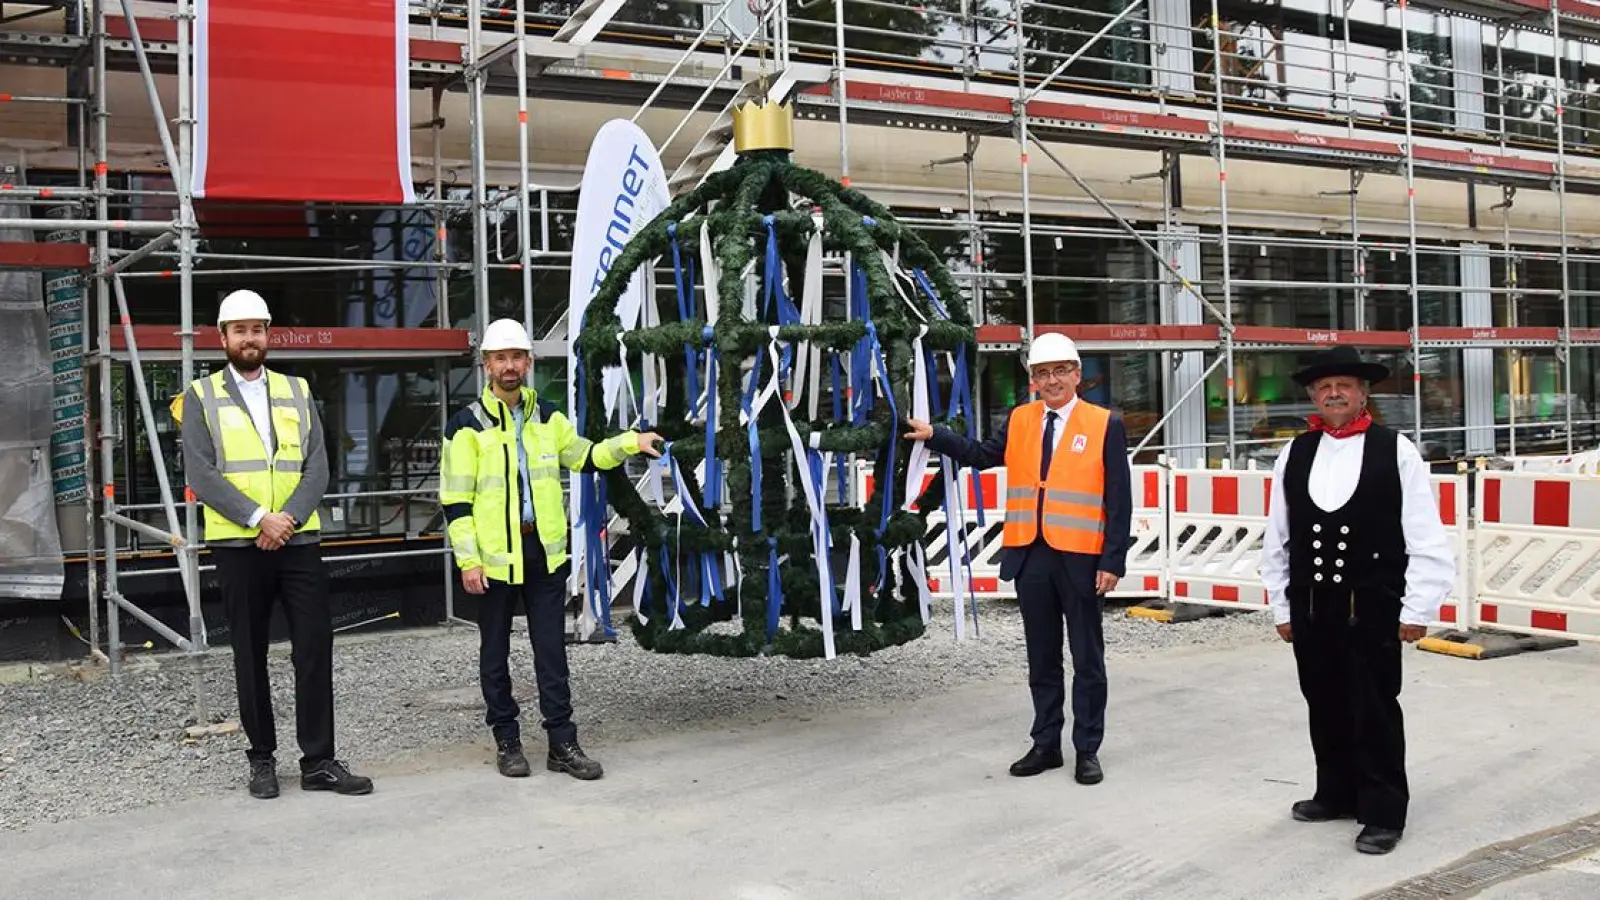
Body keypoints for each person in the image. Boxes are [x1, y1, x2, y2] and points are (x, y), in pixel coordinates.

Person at [904, 332, 1132, 784]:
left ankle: (1087, 749)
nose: (1053, 381)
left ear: (1077, 375)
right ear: (1033, 381)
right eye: (1043, 374)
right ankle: (1046, 744)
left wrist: (1113, 561)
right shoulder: (1021, 419)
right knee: (1042, 659)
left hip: (1082, 558)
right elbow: (981, 455)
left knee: (1087, 659)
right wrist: (936, 437)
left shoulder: (1105, 424)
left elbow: (1119, 499)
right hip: (1031, 555)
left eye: (1061, 371)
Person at [441, 318, 663, 779]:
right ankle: (507, 741)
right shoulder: (465, 425)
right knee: (494, 654)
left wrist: (631, 442)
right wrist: (469, 560)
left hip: (544, 555)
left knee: (552, 654)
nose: (509, 366)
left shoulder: (548, 417)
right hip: (493, 561)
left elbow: (586, 456)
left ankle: (562, 743)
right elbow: (456, 501)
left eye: (516, 357)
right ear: (486, 365)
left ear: (528, 362)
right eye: (500, 358)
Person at [1258, 346, 1456, 856]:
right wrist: (1282, 606)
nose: (1334, 394)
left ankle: (1384, 811)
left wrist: (1418, 608)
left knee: (1373, 708)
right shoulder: (1295, 452)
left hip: (1372, 605)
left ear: (1363, 393)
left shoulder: (1397, 450)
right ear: (1312, 396)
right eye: (1324, 387)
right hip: (1311, 605)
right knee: (1323, 701)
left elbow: (1425, 536)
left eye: (1344, 384)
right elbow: (1277, 535)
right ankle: (1336, 793)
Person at [181, 289, 372, 800]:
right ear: (223, 337)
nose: (249, 338)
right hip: (238, 544)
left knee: (314, 647)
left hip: (297, 537)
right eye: (239, 330)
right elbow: (201, 472)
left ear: (268, 334)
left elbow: (318, 465)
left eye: (257, 329)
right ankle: (261, 759)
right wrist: (258, 518)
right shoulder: (200, 396)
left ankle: (319, 761)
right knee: (249, 652)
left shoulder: (296, 389)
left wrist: (286, 520)